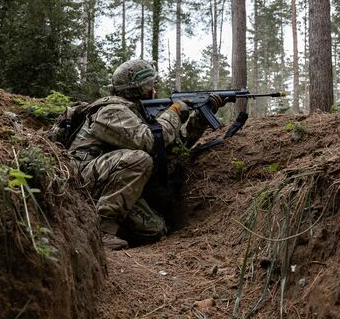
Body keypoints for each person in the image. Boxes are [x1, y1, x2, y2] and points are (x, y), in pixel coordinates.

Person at [68, 59, 224, 250]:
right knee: (139, 159)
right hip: (81, 180)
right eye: (151, 85)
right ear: (142, 89)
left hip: (106, 181)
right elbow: (149, 142)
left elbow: (168, 148)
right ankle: (101, 230)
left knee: (155, 229)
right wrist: (175, 112)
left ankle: (99, 220)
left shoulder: (135, 112)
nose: (154, 89)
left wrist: (200, 117)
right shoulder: (110, 111)